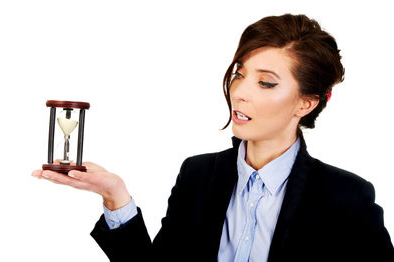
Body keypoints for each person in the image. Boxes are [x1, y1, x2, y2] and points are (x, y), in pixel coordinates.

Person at [32, 13, 394, 262]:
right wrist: (115, 196)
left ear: (305, 103)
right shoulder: (198, 175)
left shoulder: (346, 197)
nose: (240, 92)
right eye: (240, 74)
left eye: (266, 82)